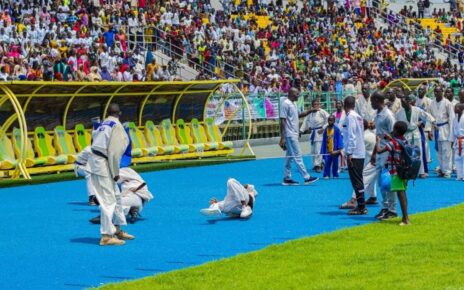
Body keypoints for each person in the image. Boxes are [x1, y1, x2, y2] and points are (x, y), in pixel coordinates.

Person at [88, 103, 134, 246]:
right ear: (119, 113)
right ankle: (106, 236)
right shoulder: (117, 126)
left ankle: (117, 229)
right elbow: (114, 153)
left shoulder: (103, 124)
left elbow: (93, 140)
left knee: (117, 197)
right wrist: (115, 173)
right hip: (103, 164)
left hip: (98, 160)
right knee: (108, 200)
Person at [280, 87, 319, 185]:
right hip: (290, 134)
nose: (299, 96)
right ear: (292, 94)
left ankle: (287, 178)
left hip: (294, 133)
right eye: (297, 94)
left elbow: (298, 115)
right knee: (298, 155)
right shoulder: (285, 104)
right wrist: (282, 137)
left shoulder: (294, 103)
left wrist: (311, 111)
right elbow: (283, 120)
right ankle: (306, 177)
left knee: (290, 157)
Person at [374, 121, 410, 225]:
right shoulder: (404, 141)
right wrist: (390, 139)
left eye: (393, 129)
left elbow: (380, 151)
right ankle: (405, 216)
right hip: (404, 170)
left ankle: (405, 219)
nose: (392, 131)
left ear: (396, 131)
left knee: (400, 194)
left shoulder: (392, 143)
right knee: (403, 193)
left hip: (396, 172)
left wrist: (378, 141)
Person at [371, 90, 397, 220]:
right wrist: (374, 154)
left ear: (377, 100)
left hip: (388, 151)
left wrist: (389, 142)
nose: (371, 103)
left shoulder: (388, 115)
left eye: (372, 101)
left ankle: (392, 209)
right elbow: (378, 136)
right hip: (380, 150)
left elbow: (395, 135)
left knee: (388, 181)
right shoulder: (378, 114)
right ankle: (385, 207)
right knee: (381, 182)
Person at [340, 119, 378, 209]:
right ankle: (373, 197)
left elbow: (353, 148)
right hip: (375, 161)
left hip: (374, 161)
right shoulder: (370, 134)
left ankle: (353, 200)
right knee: (371, 179)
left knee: (362, 178)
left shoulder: (364, 137)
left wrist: (340, 151)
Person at [396, 93, 435, 178]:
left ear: (409, 101)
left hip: (415, 133)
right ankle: (409, 172)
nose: (402, 104)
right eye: (401, 103)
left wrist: (433, 121)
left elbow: (426, 115)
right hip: (406, 134)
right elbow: (396, 123)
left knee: (419, 152)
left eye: (404, 102)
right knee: (407, 154)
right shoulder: (399, 112)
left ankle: (421, 172)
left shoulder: (416, 110)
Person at [341, 96, 367, 215]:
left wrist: (350, 152)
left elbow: (352, 136)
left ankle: (361, 206)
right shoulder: (358, 116)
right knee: (358, 179)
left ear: (344, 104)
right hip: (359, 152)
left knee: (356, 180)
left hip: (354, 153)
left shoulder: (350, 117)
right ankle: (361, 204)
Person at [428, 85, 455, 178]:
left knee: (447, 151)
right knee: (438, 151)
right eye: (435, 91)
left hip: (445, 128)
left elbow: (452, 118)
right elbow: (429, 116)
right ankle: (442, 169)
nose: (436, 93)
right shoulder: (431, 103)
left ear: (442, 92)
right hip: (436, 128)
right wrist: (430, 129)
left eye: (438, 91)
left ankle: (447, 171)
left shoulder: (447, 103)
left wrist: (452, 134)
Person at [300, 99, 330, 172]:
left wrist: (323, 128)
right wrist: (301, 131)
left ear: (319, 105)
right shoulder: (310, 113)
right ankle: (315, 164)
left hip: (319, 132)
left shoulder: (322, 112)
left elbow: (329, 119)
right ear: (312, 105)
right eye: (314, 104)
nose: (316, 105)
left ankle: (318, 165)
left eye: (317, 104)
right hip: (313, 132)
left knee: (318, 150)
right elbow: (305, 122)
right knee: (313, 151)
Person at [415, 85, 433, 169]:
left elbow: (429, 115)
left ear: (425, 91)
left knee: (425, 144)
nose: (420, 91)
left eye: (422, 90)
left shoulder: (429, 101)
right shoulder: (415, 100)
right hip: (416, 124)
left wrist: (429, 130)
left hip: (425, 125)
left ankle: (427, 161)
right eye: (419, 90)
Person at [450, 103, 464, 181]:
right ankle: (459, 175)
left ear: (461, 109)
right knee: (457, 158)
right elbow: (453, 131)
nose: (455, 109)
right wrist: (452, 141)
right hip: (457, 140)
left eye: (456, 108)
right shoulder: (455, 118)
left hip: (463, 139)